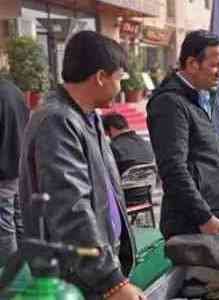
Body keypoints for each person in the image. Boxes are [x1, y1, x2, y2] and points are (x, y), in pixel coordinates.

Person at [18, 31, 144, 299]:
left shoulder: (89, 117)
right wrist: (111, 280)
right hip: (75, 274)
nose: (122, 86)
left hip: (95, 265)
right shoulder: (57, 120)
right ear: (100, 77)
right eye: (119, 78)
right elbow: (70, 207)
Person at [147, 30, 219, 239]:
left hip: (213, 211)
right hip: (192, 222)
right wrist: (203, 217)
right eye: (214, 65)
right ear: (192, 64)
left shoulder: (203, 96)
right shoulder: (170, 103)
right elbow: (173, 168)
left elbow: (202, 149)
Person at [0, 79, 29, 267]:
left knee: (4, 228)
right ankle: (26, 269)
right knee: (21, 222)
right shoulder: (14, 90)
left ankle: (9, 277)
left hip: (3, 171)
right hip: (19, 166)